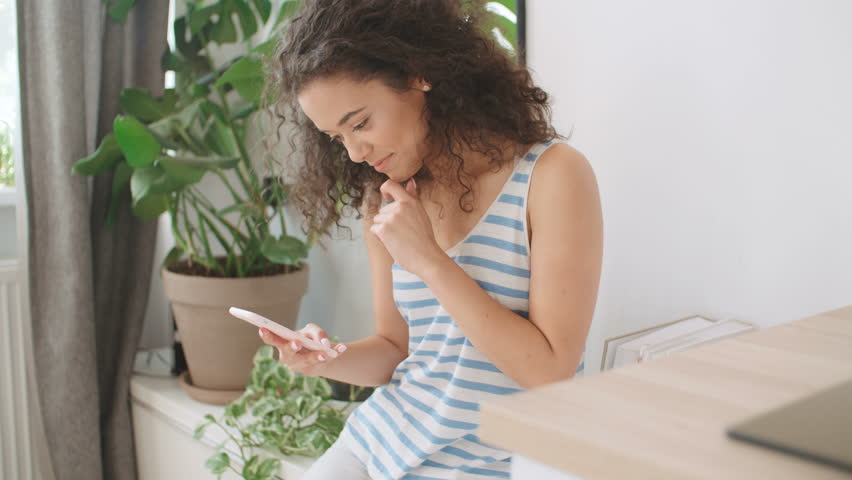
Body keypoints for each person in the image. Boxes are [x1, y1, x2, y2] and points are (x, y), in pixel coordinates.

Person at [260, 0, 603, 478]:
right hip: (387, 440)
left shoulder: (552, 177)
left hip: (499, 458)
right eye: (337, 137)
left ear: (418, 74)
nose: (356, 152)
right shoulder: (384, 199)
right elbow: (395, 351)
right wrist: (323, 361)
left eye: (360, 123)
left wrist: (430, 262)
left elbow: (549, 371)